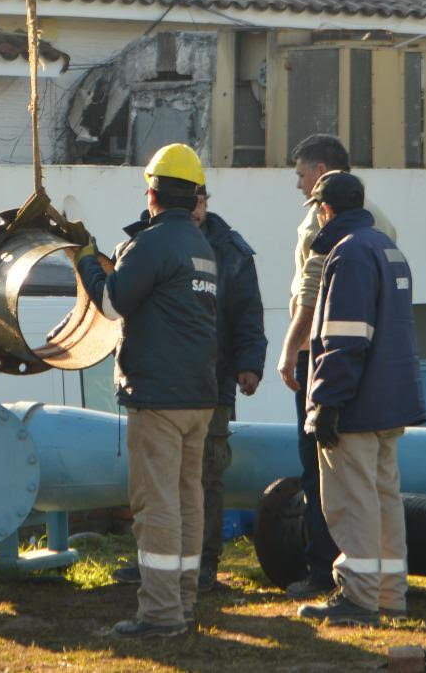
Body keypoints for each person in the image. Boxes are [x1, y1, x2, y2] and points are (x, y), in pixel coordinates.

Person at [75, 143, 219, 639]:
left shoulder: (153, 244)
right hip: (199, 396)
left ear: (152, 194)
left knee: (156, 505)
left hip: (158, 398)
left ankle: (160, 614)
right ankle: (183, 601)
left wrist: (87, 260)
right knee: (187, 501)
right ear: (194, 196)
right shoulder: (202, 247)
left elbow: (112, 304)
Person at [112, 181, 265, 593]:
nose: (196, 209)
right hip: (169, 382)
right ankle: (159, 565)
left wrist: (250, 364)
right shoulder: (146, 242)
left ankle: (200, 566)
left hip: (209, 384)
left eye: (201, 202)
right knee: (161, 483)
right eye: (192, 201)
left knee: (204, 478)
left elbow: (247, 312)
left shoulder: (228, 250)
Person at [298, 172, 426, 625]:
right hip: (391, 402)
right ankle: (390, 594)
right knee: (385, 497)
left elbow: (344, 338)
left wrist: (327, 403)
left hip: (356, 404)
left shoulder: (348, 253)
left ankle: (358, 596)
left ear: (325, 210)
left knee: (352, 501)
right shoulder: (387, 249)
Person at [275, 134, 398, 600]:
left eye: (302, 174)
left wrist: (291, 351)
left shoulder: (321, 223)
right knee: (377, 478)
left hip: (326, 358)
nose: (299, 185)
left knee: (323, 469)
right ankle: (387, 586)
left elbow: (312, 297)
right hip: (375, 360)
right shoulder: (380, 221)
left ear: (322, 173)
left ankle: (327, 573)